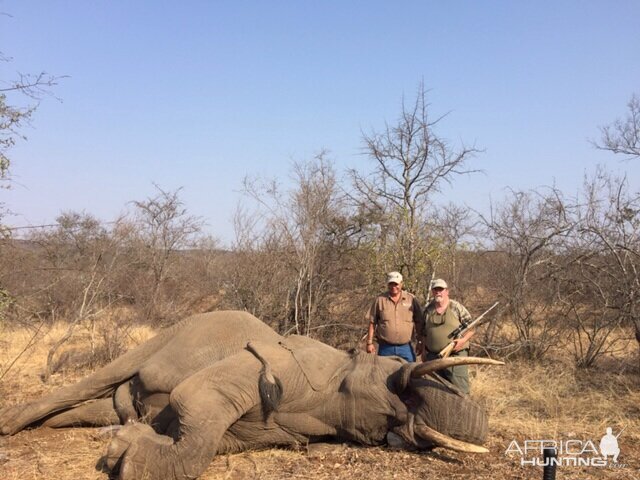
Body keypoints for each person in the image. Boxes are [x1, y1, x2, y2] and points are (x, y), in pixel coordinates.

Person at [418, 278, 474, 394]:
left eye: (441, 289)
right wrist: (423, 351)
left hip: (455, 355)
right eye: (435, 289)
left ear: (446, 291)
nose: (438, 292)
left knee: (460, 390)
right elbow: (423, 333)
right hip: (433, 357)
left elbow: (472, 328)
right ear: (432, 292)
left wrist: (463, 340)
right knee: (436, 390)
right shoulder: (428, 310)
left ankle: (463, 411)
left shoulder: (456, 307)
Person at [365, 271, 424, 363]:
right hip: (385, 348)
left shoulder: (411, 299)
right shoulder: (380, 300)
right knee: (384, 375)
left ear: (401, 284)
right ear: (388, 284)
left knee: (409, 374)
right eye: (391, 284)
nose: (393, 287)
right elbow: (372, 322)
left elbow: (419, 322)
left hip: (406, 348)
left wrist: (420, 342)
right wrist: (369, 343)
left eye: (396, 284)